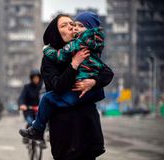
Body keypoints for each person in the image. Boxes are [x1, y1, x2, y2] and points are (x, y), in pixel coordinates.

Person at [30, 14, 113, 160]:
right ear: (55, 33)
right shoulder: (50, 59)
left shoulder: (83, 50)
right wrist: (73, 64)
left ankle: (37, 129)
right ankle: (37, 129)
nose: (71, 27)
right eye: (64, 25)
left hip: (88, 128)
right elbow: (57, 87)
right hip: (65, 132)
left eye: (72, 24)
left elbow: (106, 73)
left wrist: (93, 82)